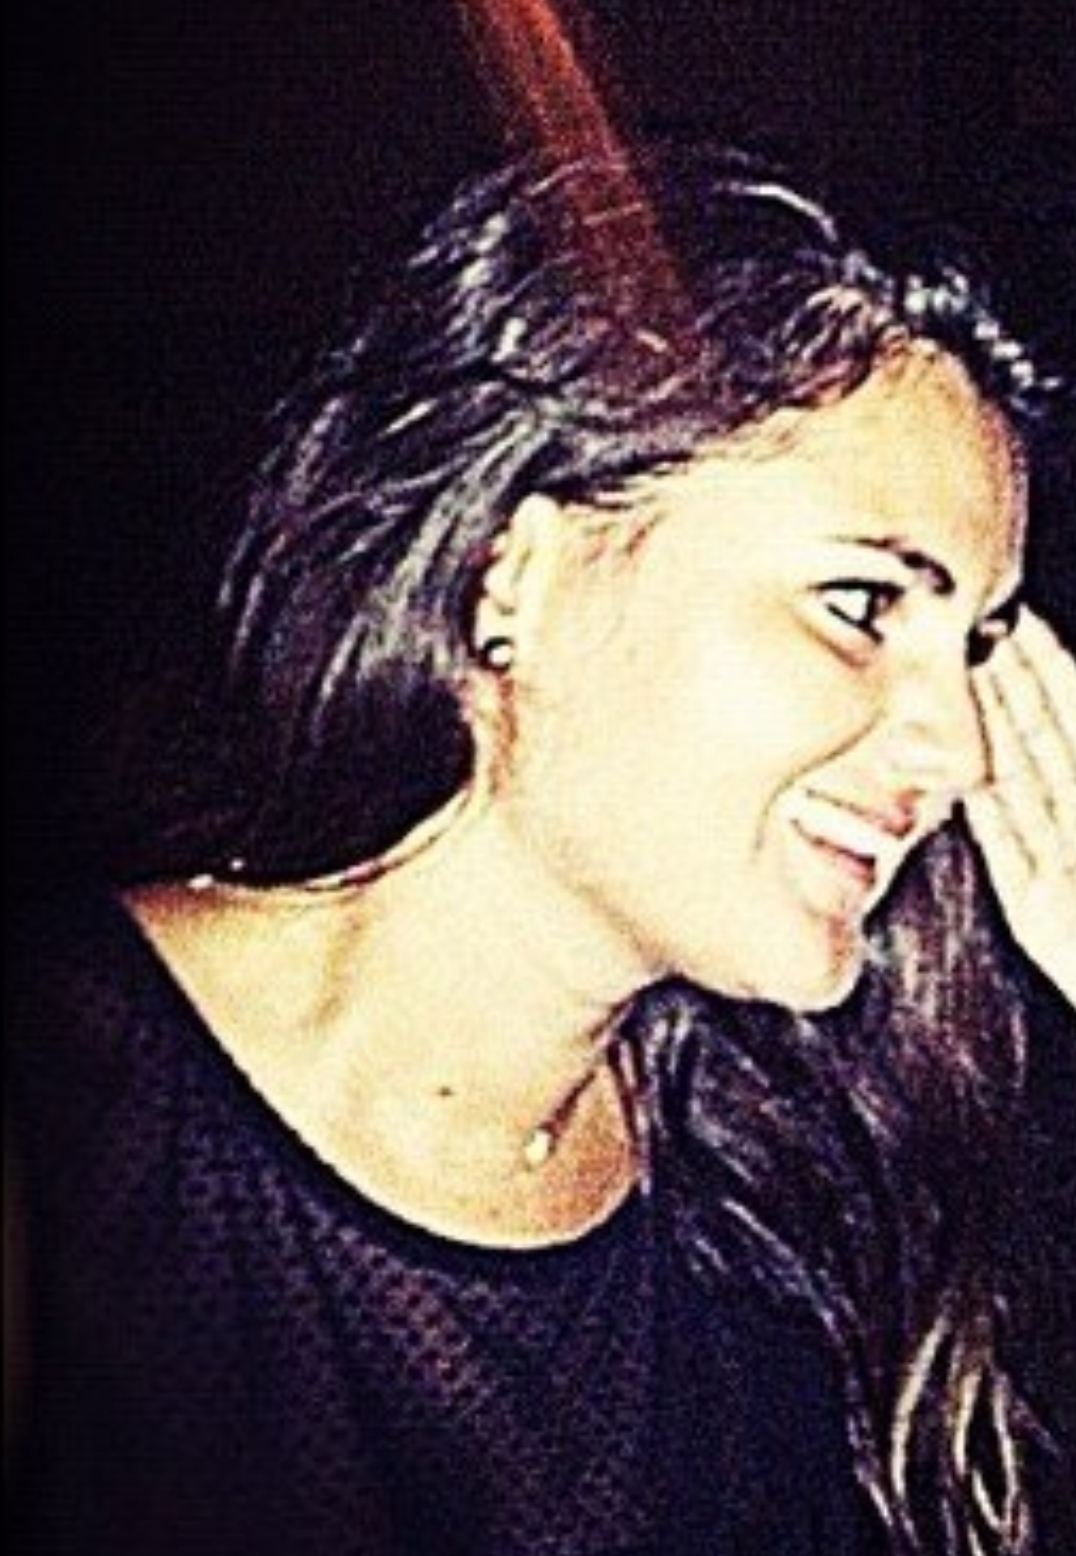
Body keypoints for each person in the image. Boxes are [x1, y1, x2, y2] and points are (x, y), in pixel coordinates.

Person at [7, 142, 1075, 1556]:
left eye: (979, 646)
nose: (960, 752)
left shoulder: (810, 1177)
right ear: (520, 574)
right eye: (862, 605)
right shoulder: (68, 1120)